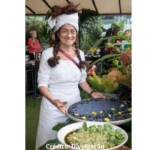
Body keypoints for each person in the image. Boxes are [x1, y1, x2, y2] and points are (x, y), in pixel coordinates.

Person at [35, 3, 106, 150]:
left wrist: (92, 92)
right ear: (58, 33)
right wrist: (53, 100)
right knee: (50, 143)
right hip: (52, 108)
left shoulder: (80, 54)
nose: (69, 35)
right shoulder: (48, 54)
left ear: (76, 33)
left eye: (72, 31)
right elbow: (42, 83)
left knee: (72, 142)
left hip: (75, 107)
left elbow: (81, 80)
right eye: (65, 31)